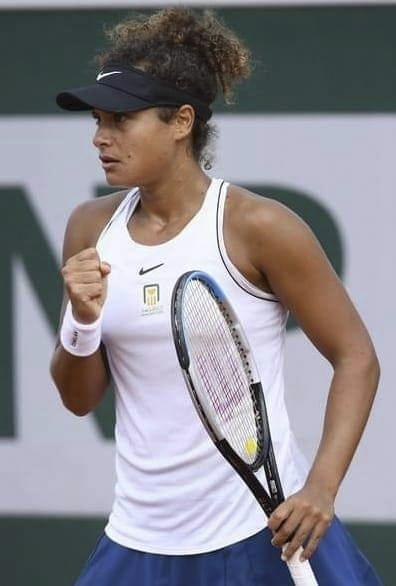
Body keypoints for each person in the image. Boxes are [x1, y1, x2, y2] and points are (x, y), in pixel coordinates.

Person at [50, 7, 382, 586]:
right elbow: (80, 399)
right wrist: (80, 321)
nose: (100, 138)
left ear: (181, 122)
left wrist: (322, 488)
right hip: (137, 537)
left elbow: (357, 357)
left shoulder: (261, 227)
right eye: (98, 121)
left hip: (257, 533)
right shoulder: (89, 228)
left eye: (121, 121)